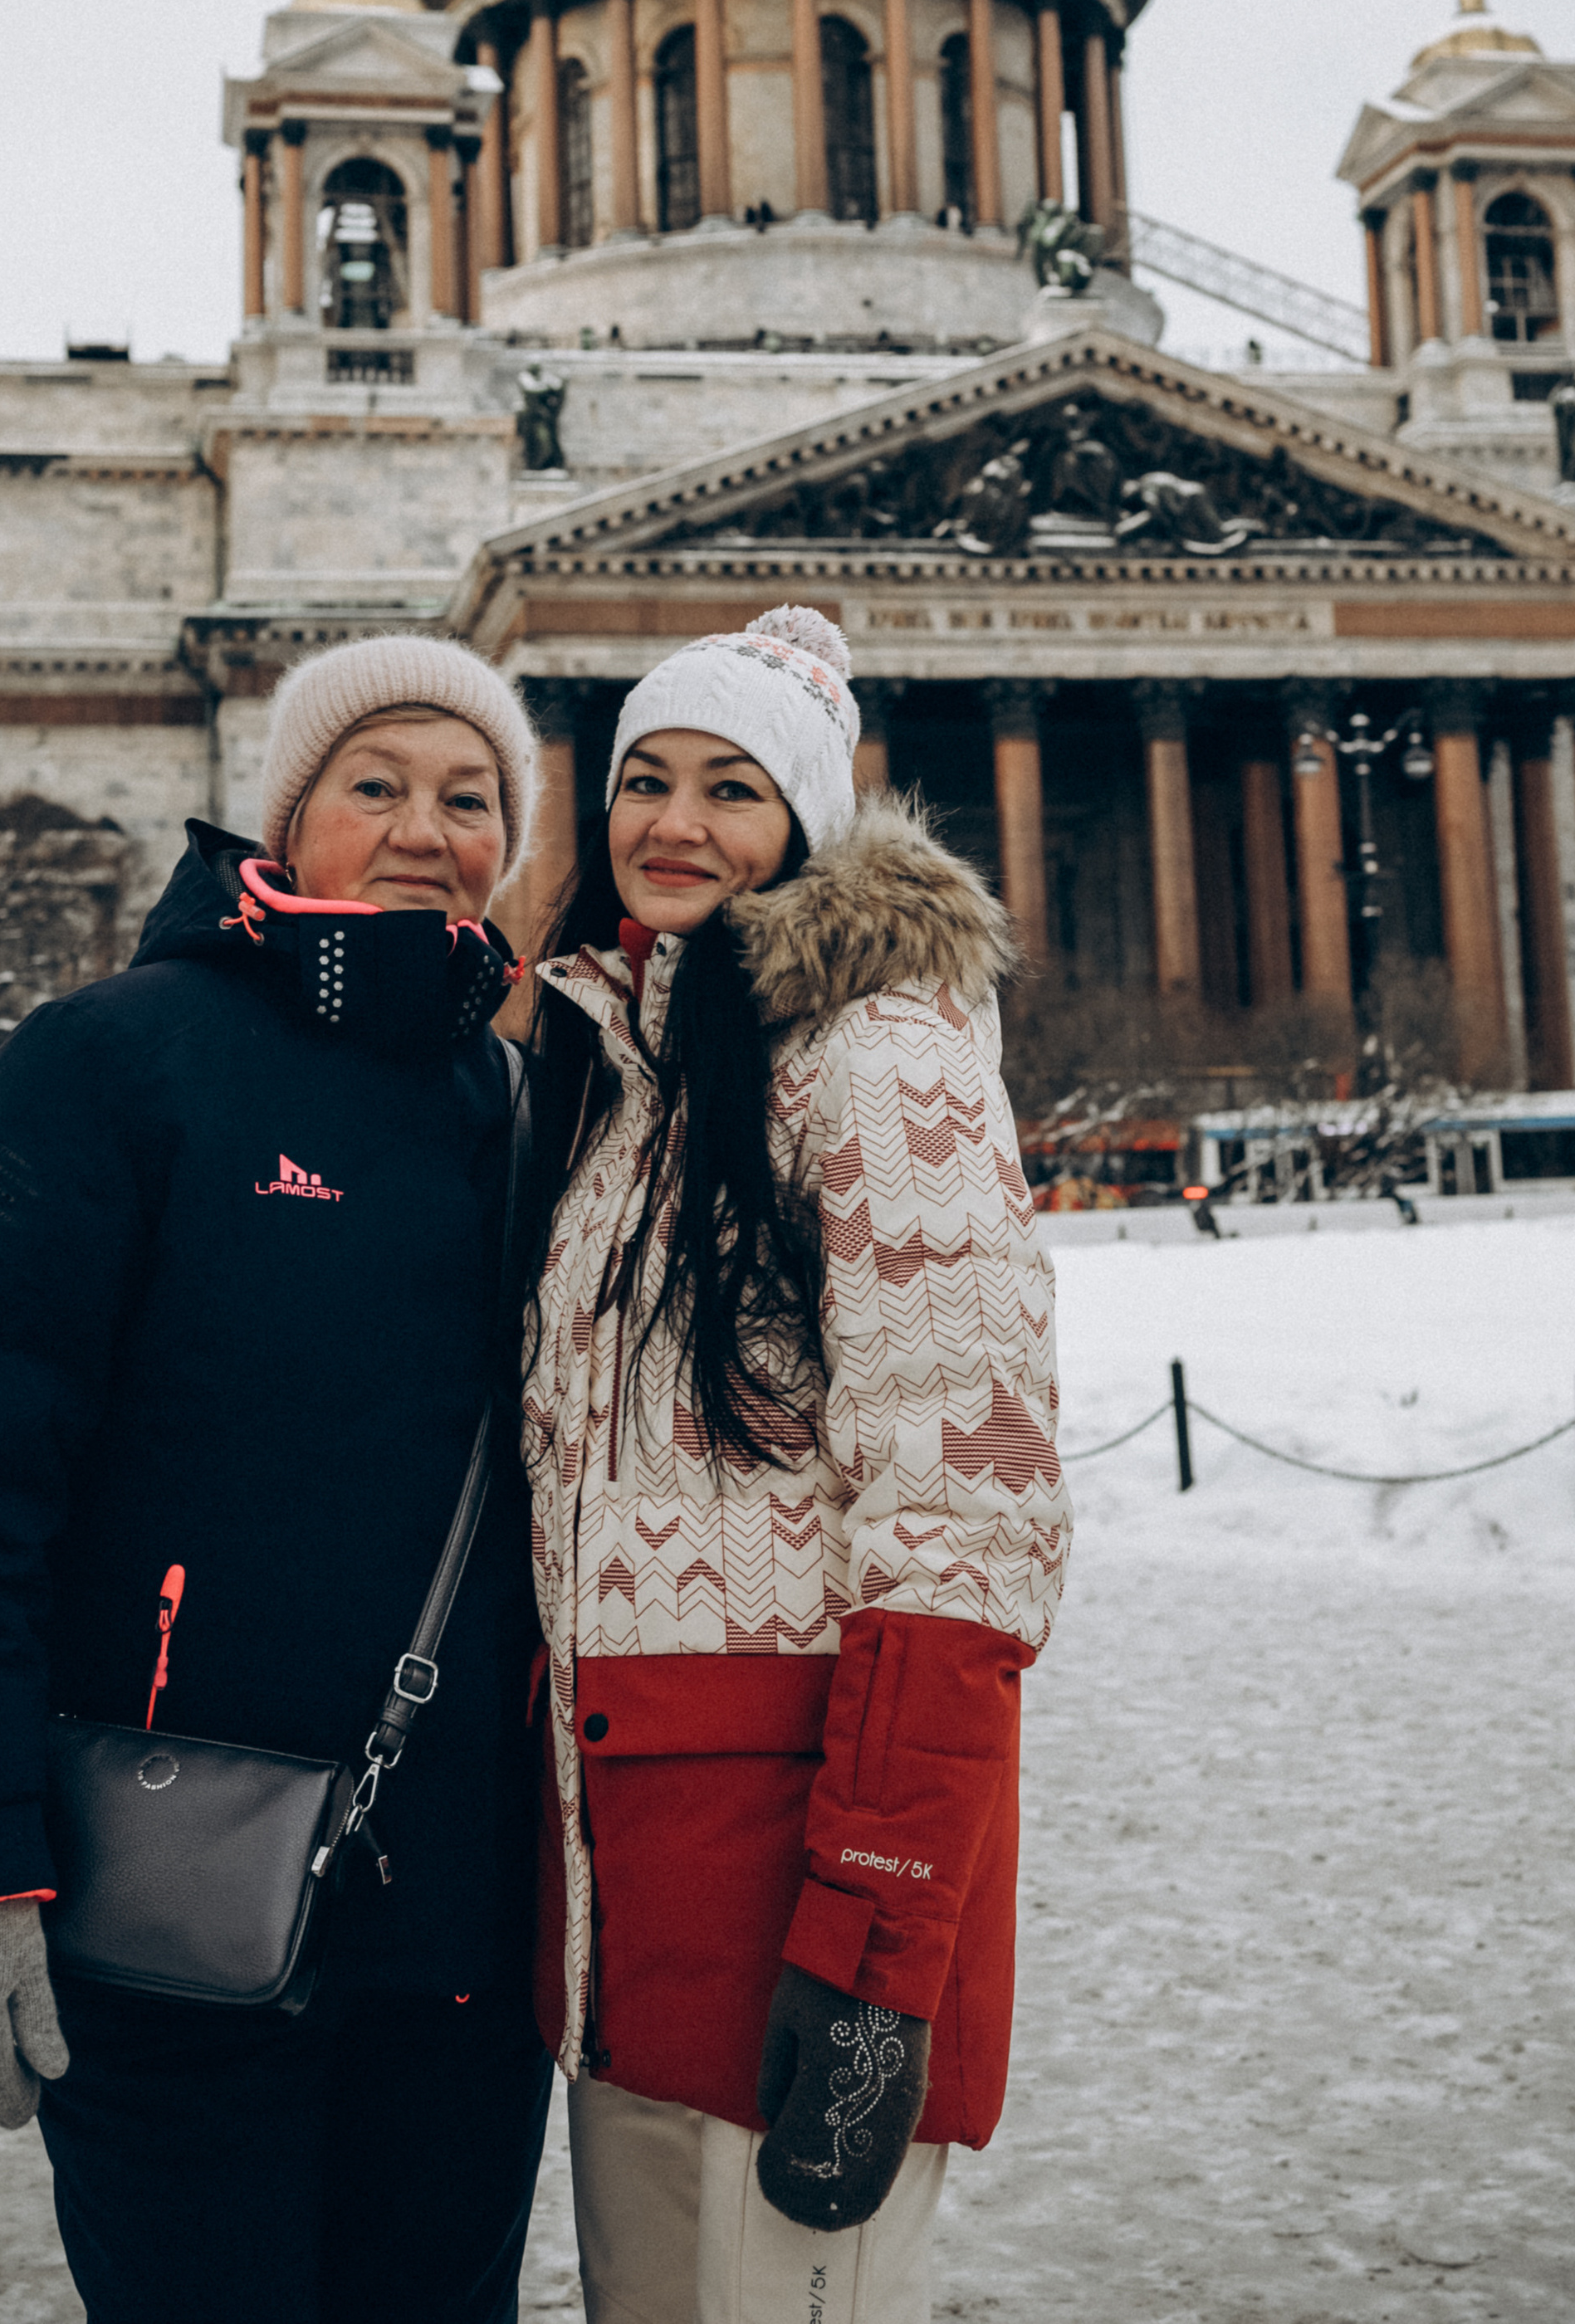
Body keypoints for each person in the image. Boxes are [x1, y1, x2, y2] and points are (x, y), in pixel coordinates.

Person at [0, 636, 554, 2324]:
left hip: (456, 1930)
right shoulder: (110, 1062)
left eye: (469, 799)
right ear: (285, 820)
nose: (424, 829)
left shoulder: (522, 1104)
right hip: (172, 1909)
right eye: (374, 785)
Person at [522, 607, 1072, 2324]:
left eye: (731, 788)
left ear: (813, 821)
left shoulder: (882, 1057)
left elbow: (959, 1521)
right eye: (643, 779)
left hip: (802, 1907)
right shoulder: (638, 1077)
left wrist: (876, 1945)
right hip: (629, 1906)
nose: (672, 824)